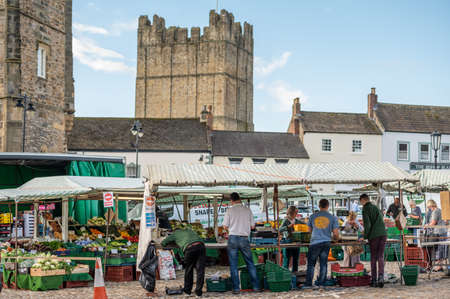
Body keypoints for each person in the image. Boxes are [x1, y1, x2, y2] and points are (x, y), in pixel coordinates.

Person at [222, 192, 261, 294]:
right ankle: (256, 287)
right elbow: (253, 227)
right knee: (250, 263)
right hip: (244, 239)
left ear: (231, 200)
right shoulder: (247, 210)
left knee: (234, 265)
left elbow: (225, 226)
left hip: (233, 238)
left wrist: (231, 229)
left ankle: (236, 289)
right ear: (240, 199)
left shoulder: (229, 210)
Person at [303, 199, 339, 289]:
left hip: (314, 242)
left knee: (311, 264)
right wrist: (336, 239)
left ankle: (308, 283)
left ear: (319, 206)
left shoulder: (312, 216)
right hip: (326, 243)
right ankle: (321, 283)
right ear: (328, 206)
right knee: (323, 263)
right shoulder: (333, 217)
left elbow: (309, 232)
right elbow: (335, 233)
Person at [161, 223, 206, 297]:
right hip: (201, 246)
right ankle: (198, 291)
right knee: (200, 270)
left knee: (189, 270)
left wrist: (175, 242)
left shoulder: (174, 234)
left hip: (190, 248)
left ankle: (188, 290)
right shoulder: (189, 230)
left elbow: (163, 243)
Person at [359, 193, 387, 288]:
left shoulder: (365, 209)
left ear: (363, 200)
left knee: (374, 257)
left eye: (361, 202)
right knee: (380, 256)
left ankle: (374, 280)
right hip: (383, 233)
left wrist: (365, 236)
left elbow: (368, 225)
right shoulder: (375, 207)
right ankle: (381, 277)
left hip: (374, 235)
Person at [280, 206, 306, 272]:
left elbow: (304, 224)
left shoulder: (296, 220)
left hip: (296, 242)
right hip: (287, 242)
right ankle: (285, 275)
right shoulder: (285, 220)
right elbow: (280, 230)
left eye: (297, 213)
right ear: (291, 212)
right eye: (295, 213)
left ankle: (295, 274)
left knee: (295, 260)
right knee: (286, 260)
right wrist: (288, 227)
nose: (296, 214)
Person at [424, 199, 447, 272]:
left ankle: (439, 266)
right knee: (441, 248)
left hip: (439, 232)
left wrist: (426, 225)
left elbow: (433, 222)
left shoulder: (435, 211)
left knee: (439, 249)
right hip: (442, 231)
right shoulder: (439, 210)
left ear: (430, 205)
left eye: (428, 207)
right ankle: (439, 265)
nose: (428, 208)